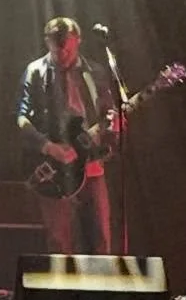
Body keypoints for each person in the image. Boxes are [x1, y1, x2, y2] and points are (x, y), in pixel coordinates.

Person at [16, 16, 121, 254]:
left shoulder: (95, 72)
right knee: (59, 241)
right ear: (47, 42)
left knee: (101, 237)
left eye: (67, 48)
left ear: (78, 40)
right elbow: (21, 117)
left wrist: (114, 127)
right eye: (57, 48)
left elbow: (108, 113)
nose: (62, 53)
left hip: (90, 163)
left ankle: (100, 280)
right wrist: (48, 147)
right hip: (54, 164)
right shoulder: (35, 72)